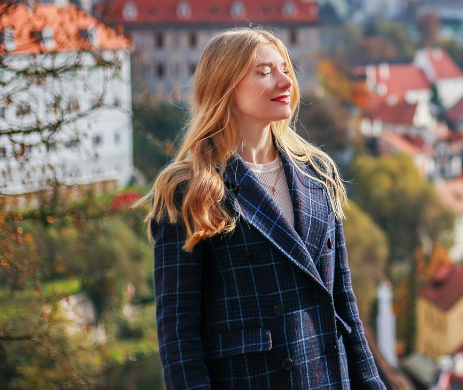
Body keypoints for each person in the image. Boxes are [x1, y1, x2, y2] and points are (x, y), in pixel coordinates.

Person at [146, 28, 383, 390]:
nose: (285, 80)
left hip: (329, 377)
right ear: (226, 86)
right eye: (263, 72)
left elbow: (343, 302)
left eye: (284, 68)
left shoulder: (319, 173)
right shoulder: (189, 190)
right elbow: (179, 338)